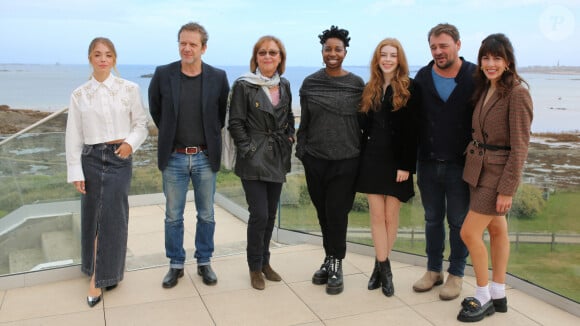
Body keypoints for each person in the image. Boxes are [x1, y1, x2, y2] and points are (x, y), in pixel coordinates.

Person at [65, 37, 149, 307]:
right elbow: (73, 136)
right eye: (98, 54)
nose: (103, 59)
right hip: (90, 158)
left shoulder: (129, 89)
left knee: (113, 217)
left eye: (108, 55)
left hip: (118, 158)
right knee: (92, 216)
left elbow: (141, 125)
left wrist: (129, 145)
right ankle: (99, 271)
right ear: (90, 58)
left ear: (114, 59)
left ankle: (99, 279)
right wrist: (75, 171)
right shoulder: (79, 94)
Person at [457, 33, 533, 322]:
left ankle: (482, 294)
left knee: (468, 233)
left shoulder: (517, 93)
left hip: (497, 176)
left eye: (496, 58)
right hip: (477, 170)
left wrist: (507, 189)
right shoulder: (486, 87)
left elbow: (520, 146)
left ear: (508, 61)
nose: (490, 63)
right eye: (486, 58)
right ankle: (498, 292)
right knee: (497, 231)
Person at [148, 22, 230, 288]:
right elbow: (156, 110)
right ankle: (175, 264)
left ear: (203, 48)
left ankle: (204, 262)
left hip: (206, 157)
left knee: (206, 214)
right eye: (183, 42)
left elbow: (219, 116)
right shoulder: (163, 74)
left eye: (193, 44)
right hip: (174, 157)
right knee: (173, 215)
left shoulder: (218, 77)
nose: (187, 48)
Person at [296, 25, 365, 295]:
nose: (332, 53)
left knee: (337, 214)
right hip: (315, 160)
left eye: (338, 49)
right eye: (328, 49)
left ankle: (336, 264)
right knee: (323, 214)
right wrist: (303, 153)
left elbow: (363, 125)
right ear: (322, 52)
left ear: (345, 52)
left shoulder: (356, 85)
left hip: (346, 161)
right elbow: (305, 123)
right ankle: (329, 258)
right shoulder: (310, 83)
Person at [413, 23, 476, 300]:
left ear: (458, 45)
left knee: (459, 223)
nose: (438, 51)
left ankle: (457, 274)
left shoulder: (475, 76)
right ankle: (433, 270)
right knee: (432, 219)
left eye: (444, 46)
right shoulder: (423, 77)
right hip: (427, 163)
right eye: (434, 47)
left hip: (461, 166)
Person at [228, 35, 295, 290]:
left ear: (281, 58)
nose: (268, 56)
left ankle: (266, 262)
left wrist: (290, 135)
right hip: (253, 159)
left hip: (277, 157)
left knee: (270, 216)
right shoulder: (244, 85)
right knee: (259, 214)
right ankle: (254, 267)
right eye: (263, 52)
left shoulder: (285, 84)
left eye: (273, 53)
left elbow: (288, 114)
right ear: (256, 58)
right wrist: (248, 149)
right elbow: (235, 122)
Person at [356, 38, 419, 297]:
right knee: (375, 216)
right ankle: (386, 269)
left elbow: (413, 131)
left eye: (393, 55)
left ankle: (378, 266)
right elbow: (363, 127)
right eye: (384, 54)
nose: (388, 59)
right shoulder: (370, 88)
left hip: (397, 163)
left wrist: (406, 165)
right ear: (377, 58)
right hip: (371, 159)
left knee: (391, 217)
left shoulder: (409, 88)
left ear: (399, 59)